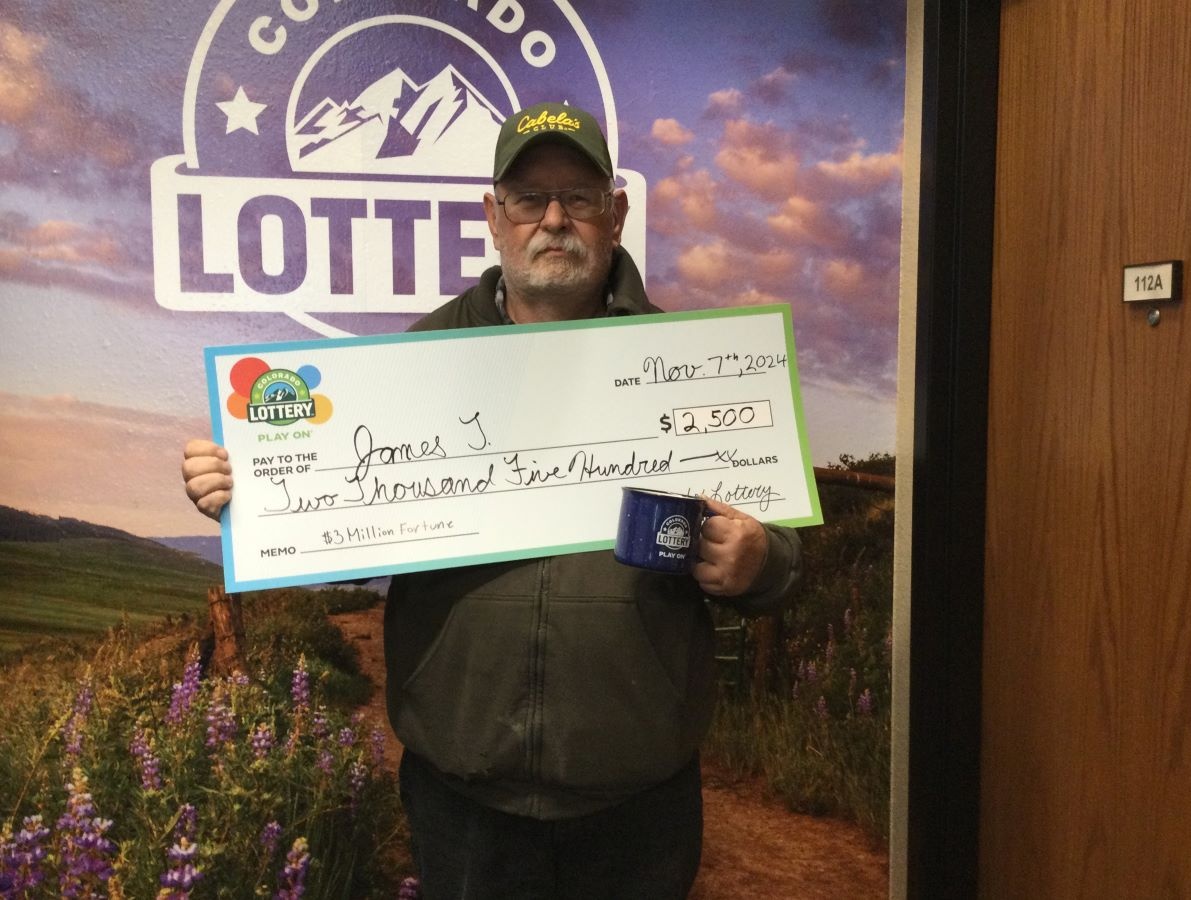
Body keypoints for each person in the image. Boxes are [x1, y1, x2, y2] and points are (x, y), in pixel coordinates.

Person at [182, 101, 803, 899]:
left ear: (615, 214)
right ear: (493, 216)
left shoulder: (695, 364)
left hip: (639, 805)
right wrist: (246, 493)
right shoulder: (416, 360)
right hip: (462, 803)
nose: (554, 220)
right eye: (529, 199)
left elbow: (780, 554)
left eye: (578, 197)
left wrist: (759, 559)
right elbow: (332, 515)